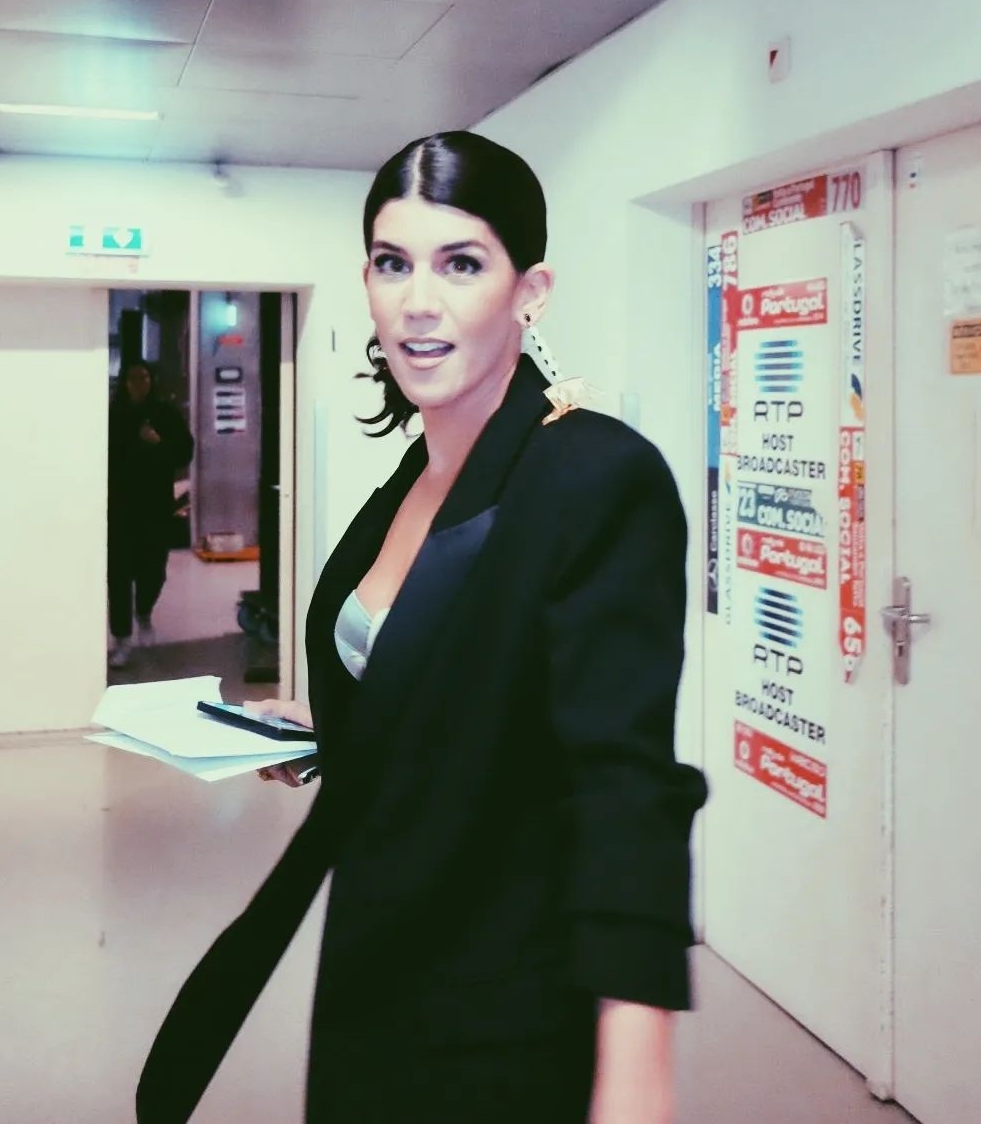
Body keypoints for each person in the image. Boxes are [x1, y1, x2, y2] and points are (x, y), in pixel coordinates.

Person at [135, 132, 708, 1124]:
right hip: (371, 960)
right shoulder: (416, 475)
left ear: (530, 292)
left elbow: (623, 787)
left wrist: (636, 1066)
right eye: (392, 263)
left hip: (507, 992)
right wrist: (329, 736)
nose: (418, 301)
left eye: (462, 264)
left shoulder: (595, 476)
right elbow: (460, 689)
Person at [107, 361, 194, 669]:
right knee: (119, 575)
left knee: (153, 570)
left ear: (151, 380)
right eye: (132, 378)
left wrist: (159, 443)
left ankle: (143, 611)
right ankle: (121, 638)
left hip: (155, 505)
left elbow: (184, 452)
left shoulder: (165, 413)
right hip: (119, 507)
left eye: (143, 377)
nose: (138, 384)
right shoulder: (113, 415)